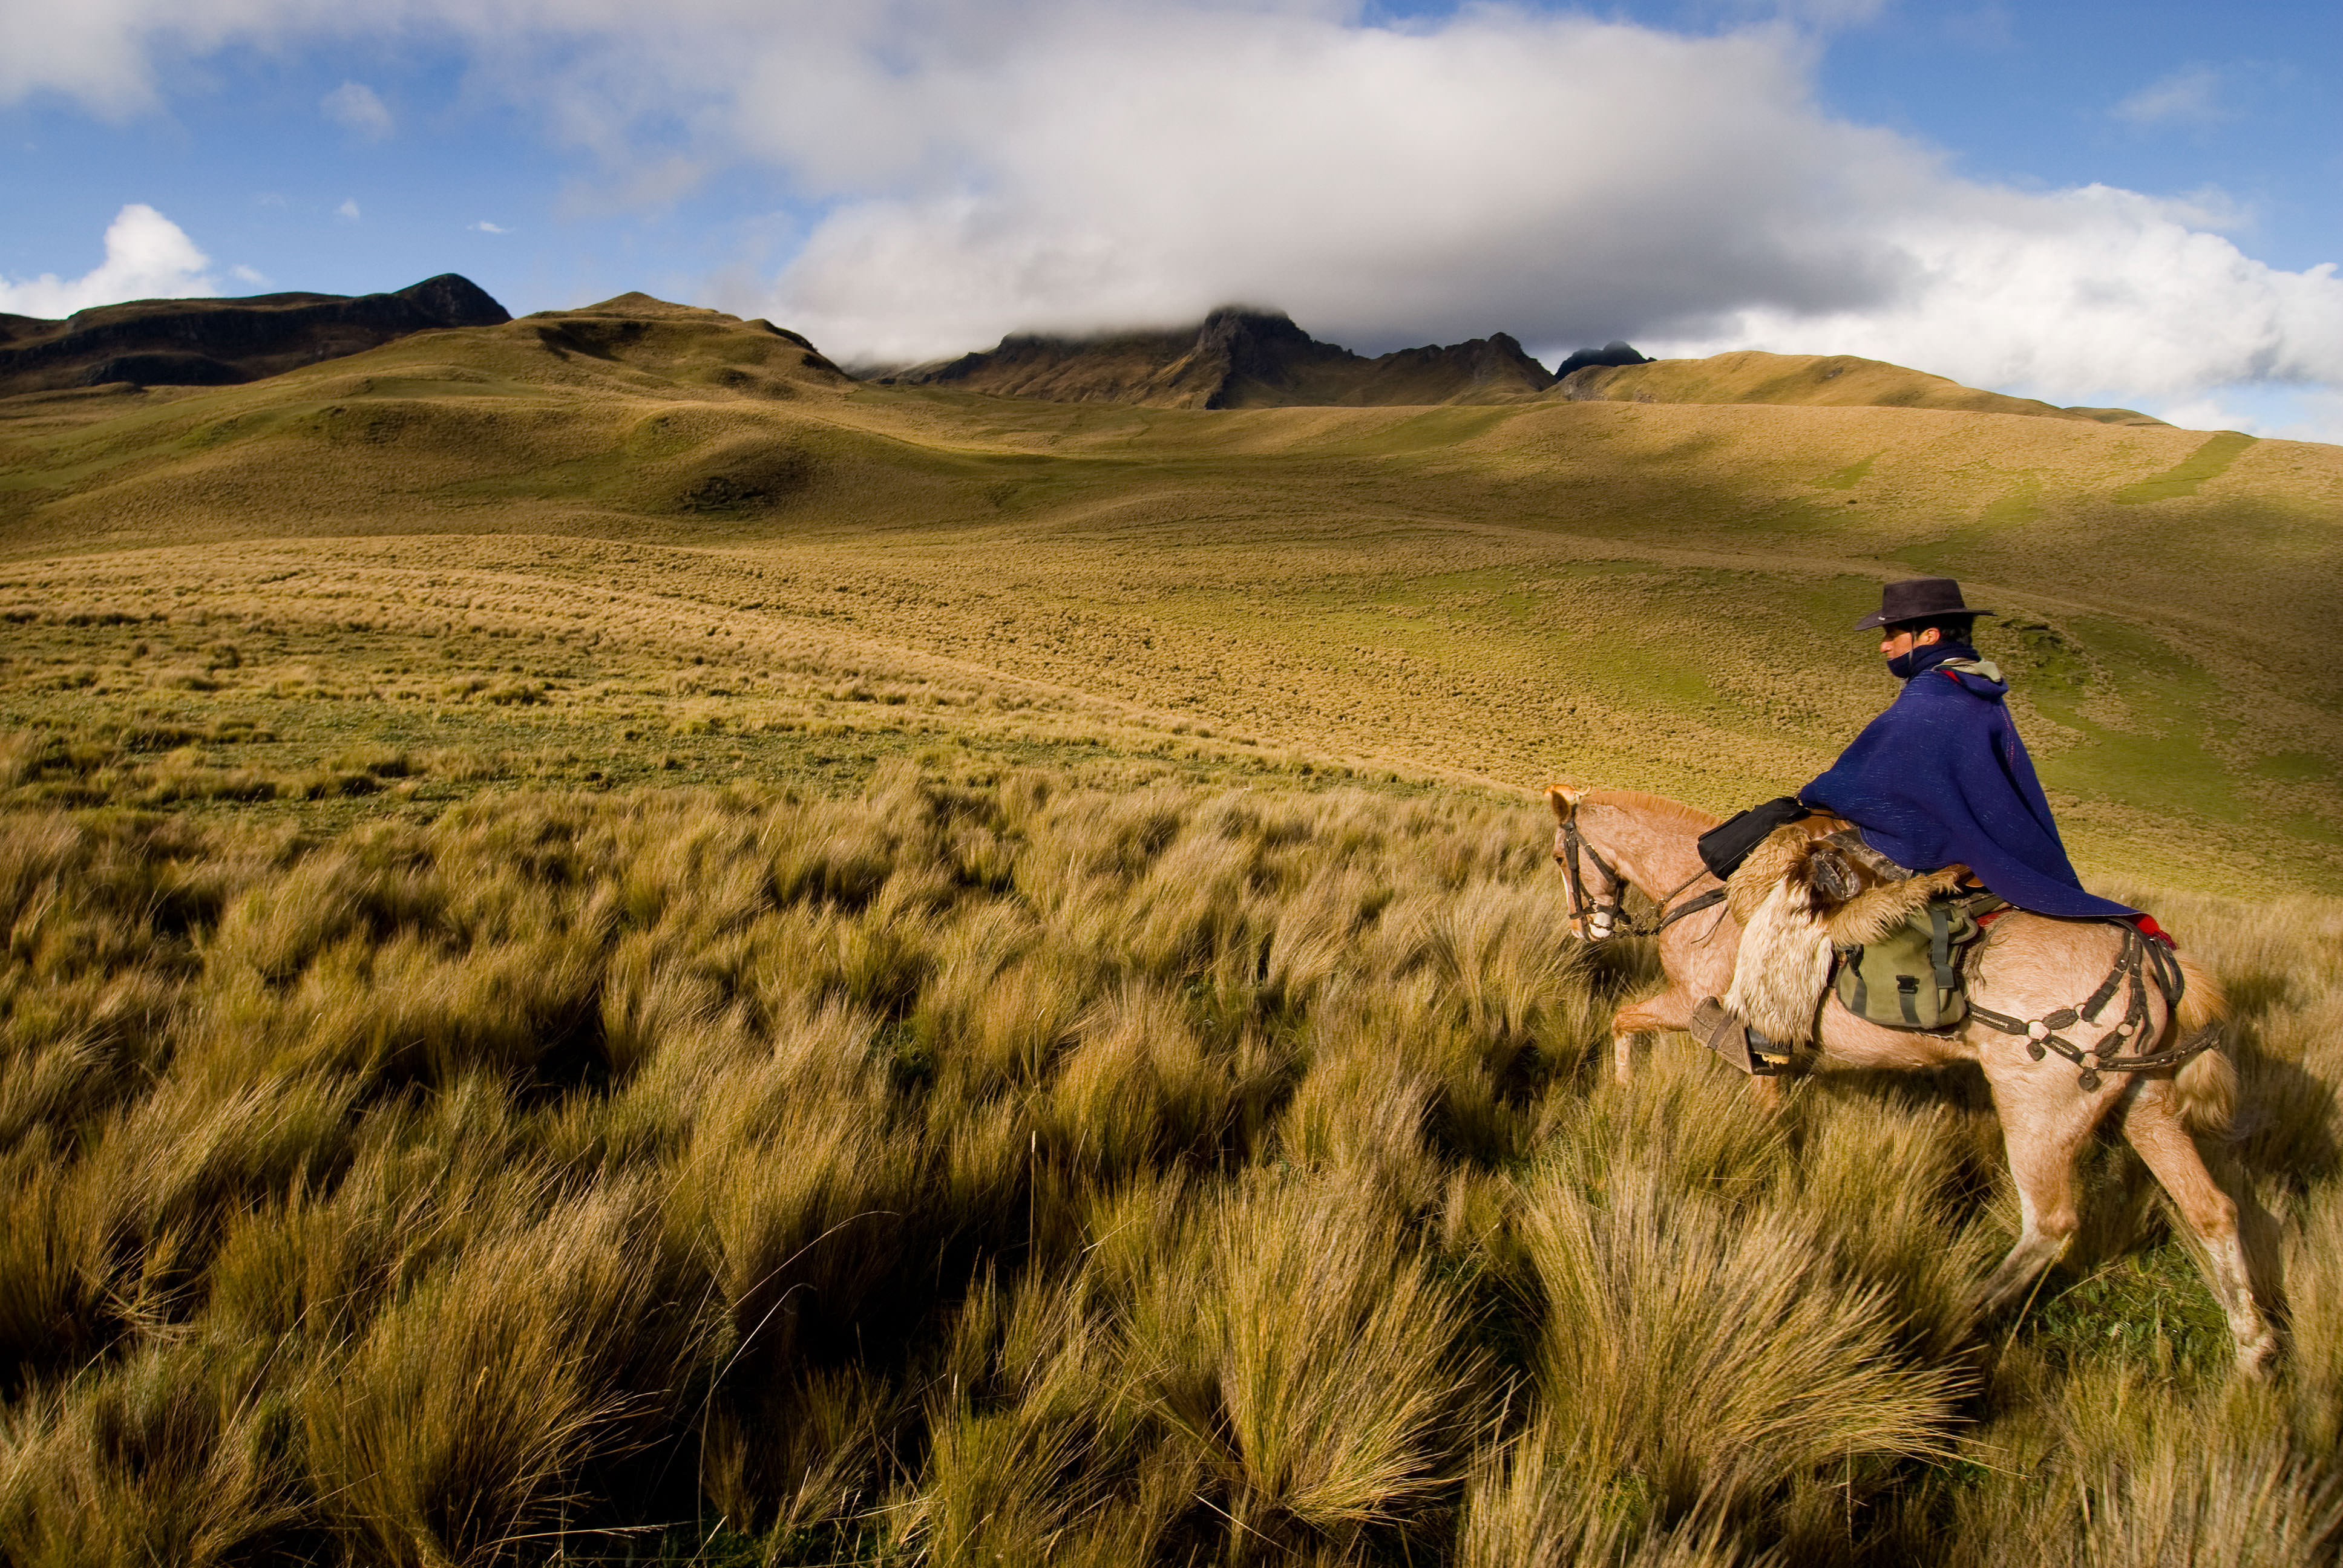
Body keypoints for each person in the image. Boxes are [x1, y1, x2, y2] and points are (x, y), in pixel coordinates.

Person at [1692, 576, 2140, 1068]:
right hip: (1959, 829)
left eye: (1893, 634)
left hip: (1922, 840)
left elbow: (1879, 776)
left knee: (1795, 896)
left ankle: (1770, 1034)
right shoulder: (1973, 685)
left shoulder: (1933, 695)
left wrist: (1819, 794)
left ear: (1928, 636)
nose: (1884, 645)